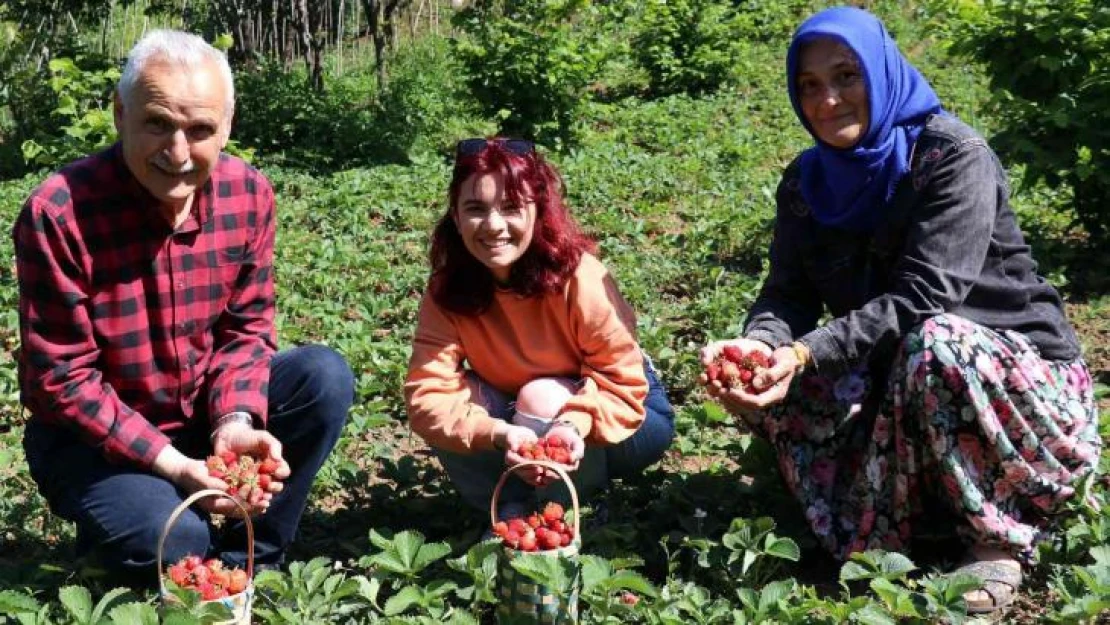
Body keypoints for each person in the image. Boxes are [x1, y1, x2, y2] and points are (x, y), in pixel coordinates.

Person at [700, 7, 1101, 615]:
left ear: (882, 74)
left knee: (936, 341)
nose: (828, 100)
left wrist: (806, 351)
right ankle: (897, 521)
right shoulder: (805, 184)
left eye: (846, 76)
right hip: (899, 375)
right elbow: (788, 293)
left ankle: (994, 538)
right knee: (783, 383)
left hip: (1013, 384)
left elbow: (926, 296)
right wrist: (759, 345)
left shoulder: (951, 158)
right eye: (809, 84)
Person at [14, 30, 353, 584]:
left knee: (323, 376)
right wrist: (174, 466)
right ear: (120, 113)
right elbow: (63, 379)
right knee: (179, 540)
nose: (177, 153)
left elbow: (246, 331)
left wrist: (235, 421)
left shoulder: (248, 194)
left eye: (200, 131)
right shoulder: (60, 213)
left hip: (198, 414)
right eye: (157, 123)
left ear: (228, 126)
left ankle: (250, 559)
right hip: (91, 442)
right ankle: (158, 527)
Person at [405, 137, 674, 521]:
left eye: (511, 208)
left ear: (539, 211)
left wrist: (571, 426)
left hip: (628, 415)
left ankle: (567, 516)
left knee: (541, 397)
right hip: (520, 410)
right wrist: (498, 432)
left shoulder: (579, 278)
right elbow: (426, 396)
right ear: (456, 216)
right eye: (476, 209)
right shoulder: (448, 291)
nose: (494, 226)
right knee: (451, 406)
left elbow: (623, 384)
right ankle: (511, 511)